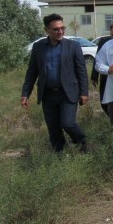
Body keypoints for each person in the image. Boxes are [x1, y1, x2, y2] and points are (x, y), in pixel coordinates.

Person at [21, 13, 88, 153]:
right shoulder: (39, 47)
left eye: (62, 28)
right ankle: (60, 155)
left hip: (68, 93)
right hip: (48, 94)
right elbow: (32, 72)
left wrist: (84, 92)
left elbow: (81, 71)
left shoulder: (73, 46)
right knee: (53, 128)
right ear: (46, 30)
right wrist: (25, 93)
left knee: (68, 123)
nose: (60, 31)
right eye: (56, 29)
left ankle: (81, 141)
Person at [91, 23, 113, 115]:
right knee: (103, 101)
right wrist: (94, 76)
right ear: (110, 32)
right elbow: (97, 59)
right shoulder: (104, 41)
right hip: (105, 74)